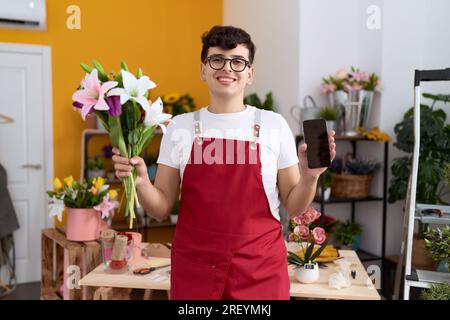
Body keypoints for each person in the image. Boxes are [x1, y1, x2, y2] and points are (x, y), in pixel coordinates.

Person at [112, 25, 336, 300]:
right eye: (216, 59)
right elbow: (160, 208)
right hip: (195, 268)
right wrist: (142, 181)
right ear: (203, 70)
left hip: (260, 269)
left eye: (238, 62)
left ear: (250, 73)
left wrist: (310, 176)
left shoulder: (273, 125)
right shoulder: (179, 128)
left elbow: (293, 205)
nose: (227, 68)